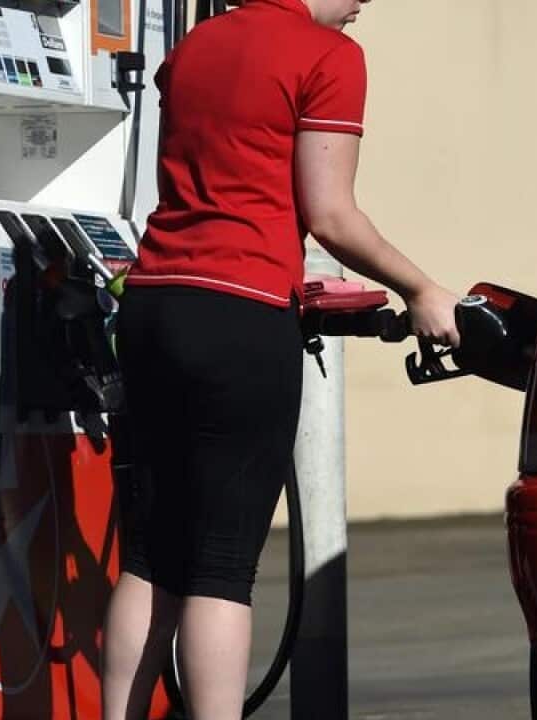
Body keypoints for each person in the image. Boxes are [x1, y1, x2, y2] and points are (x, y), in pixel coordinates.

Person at [101, 0, 462, 717]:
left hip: (151, 304)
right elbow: (330, 213)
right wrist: (421, 289)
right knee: (222, 565)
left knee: (151, 555)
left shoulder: (197, 45)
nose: (364, 5)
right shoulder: (327, 56)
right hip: (239, 315)